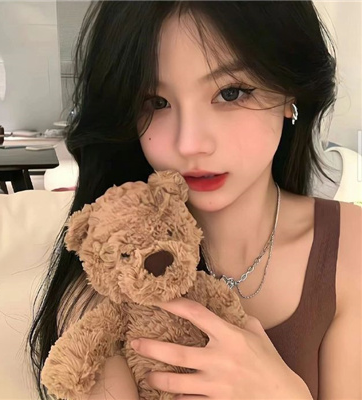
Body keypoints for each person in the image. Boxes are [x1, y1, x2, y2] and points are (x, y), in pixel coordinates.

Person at [28, 2, 361, 399]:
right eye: (156, 102)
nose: (190, 143)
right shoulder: (112, 275)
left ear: (290, 91)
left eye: (230, 92)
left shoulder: (349, 246)